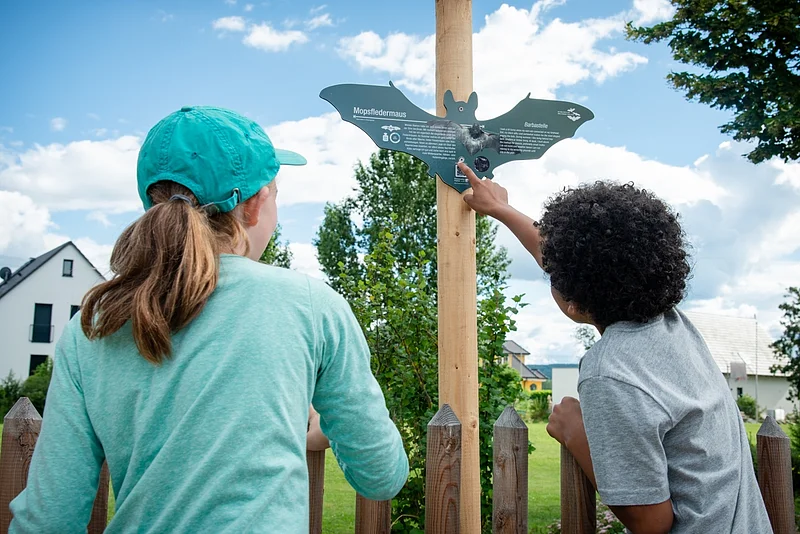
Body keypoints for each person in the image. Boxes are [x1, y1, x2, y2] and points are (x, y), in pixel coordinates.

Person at [9, 106, 409, 533]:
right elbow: (382, 475)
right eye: (275, 193)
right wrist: (322, 421)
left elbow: (48, 518)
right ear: (255, 206)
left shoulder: (95, 326)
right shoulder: (311, 305)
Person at [459, 162, 772, 534]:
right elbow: (577, 259)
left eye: (554, 274)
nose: (550, 271)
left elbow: (651, 522)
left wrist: (576, 433)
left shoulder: (610, 372)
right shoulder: (674, 325)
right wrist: (502, 209)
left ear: (573, 300)